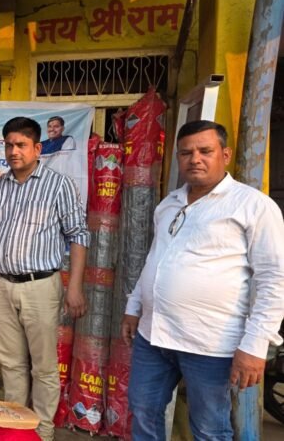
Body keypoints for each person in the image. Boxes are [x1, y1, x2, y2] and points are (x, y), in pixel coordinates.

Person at [121, 120, 284, 441]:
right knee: (142, 409)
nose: (195, 159)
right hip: (154, 336)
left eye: (205, 151)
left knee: (209, 428)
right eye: (186, 153)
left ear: (225, 154)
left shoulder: (253, 205)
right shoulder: (169, 204)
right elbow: (155, 259)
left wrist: (255, 345)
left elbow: (273, 279)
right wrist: (133, 306)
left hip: (210, 343)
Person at [0, 116, 89, 441]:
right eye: (9, 145)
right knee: (11, 364)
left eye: (21, 145)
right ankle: (16, 429)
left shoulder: (59, 185)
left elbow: (78, 234)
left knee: (44, 366)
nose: (14, 151)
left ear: (37, 148)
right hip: (0, 284)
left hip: (41, 286)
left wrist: (74, 286)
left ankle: (43, 432)